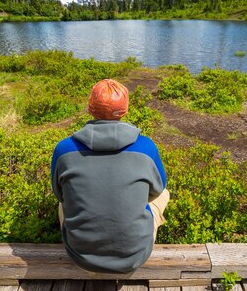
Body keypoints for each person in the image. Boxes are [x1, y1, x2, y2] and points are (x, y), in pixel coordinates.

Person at [50, 78, 169, 273]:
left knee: (63, 202)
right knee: (164, 194)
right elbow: (159, 188)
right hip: (135, 255)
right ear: (124, 110)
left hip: (80, 256)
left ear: (90, 108)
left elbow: (59, 194)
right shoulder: (146, 147)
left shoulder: (64, 149)